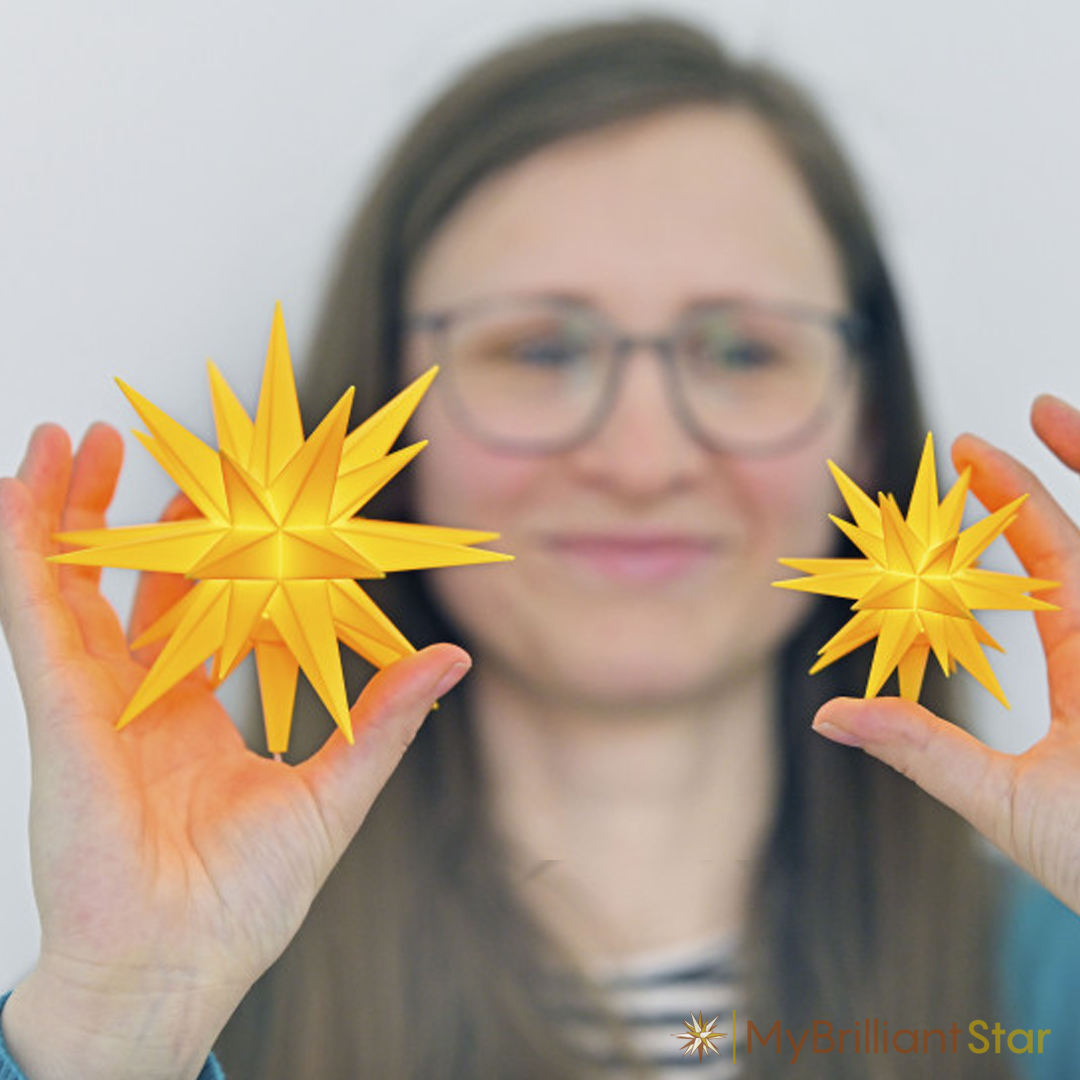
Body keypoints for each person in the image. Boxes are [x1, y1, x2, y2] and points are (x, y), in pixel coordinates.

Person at [1, 15, 1079, 1080]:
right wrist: (121, 1031)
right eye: (540, 349)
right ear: (381, 425)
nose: (644, 460)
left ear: (870, 424)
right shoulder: (171, 1004)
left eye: (742, 351)